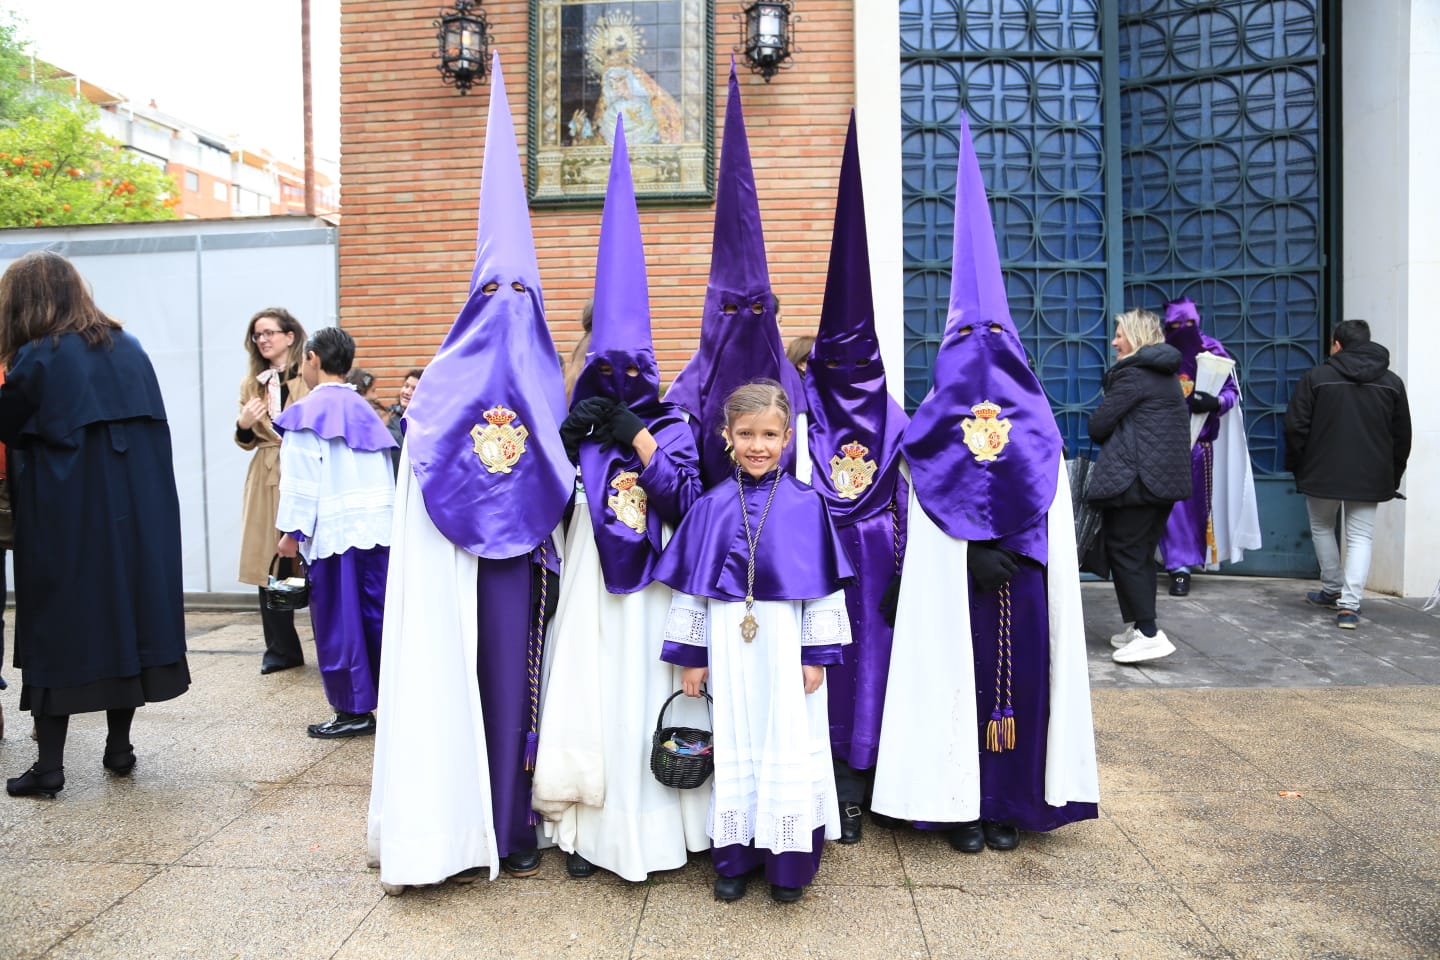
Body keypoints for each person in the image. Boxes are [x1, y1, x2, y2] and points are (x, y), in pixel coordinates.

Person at [368, 52, 572, 891]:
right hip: (457, 563)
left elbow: (564, 460)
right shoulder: (440, 388)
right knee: (457, 689)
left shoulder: (550, 376)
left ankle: (513, 824)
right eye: (496, 290)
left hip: (524, 563)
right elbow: (425, 461)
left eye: (524, 292)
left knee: (517, 690)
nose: (511, 306)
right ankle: (455, 824)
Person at [871, 110, 1097, 854]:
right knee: (952, 693)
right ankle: (956, 805)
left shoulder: (1038, 422)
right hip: (953, 590)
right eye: (968, 338)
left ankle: (1009, 805)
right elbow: (917, 515)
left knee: (1022, 693)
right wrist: (961, 556)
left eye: (993, 338)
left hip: (1021, 582)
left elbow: (1053, 512)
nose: (981, 353)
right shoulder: (928, 424)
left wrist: (1018, 554)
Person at [531, 117, 709, 881]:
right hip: (589, 583)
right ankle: (587, 832)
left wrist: (636, 435)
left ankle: (654, 830)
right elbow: (550, 502)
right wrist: (569, 444)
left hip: (650, 590)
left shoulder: (670, 418)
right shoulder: (574, 421)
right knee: (590, 698)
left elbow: (685, 498)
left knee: (639, 697)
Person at [653, 381, 855, 903]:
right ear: (727, 436)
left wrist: (818, 655)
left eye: (768, 434)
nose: (757, 445)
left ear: (787, 437)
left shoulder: (807, 505)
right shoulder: (711, 505)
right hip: (728, 642)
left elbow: (825, 593)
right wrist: (691, 659)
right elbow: (691, 594)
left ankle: (789, 866)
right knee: (737, 739)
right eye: (746, 434)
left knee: (786, 740)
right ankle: (736, 857)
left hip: (787, 645)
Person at [0, 250, 190, 798]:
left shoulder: (40, 356)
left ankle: (49, 767)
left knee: (57, 625)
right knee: (125, 618)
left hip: (67, 521)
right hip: (139, 519)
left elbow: (7, 423)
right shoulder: (128, 346)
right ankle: (119, 748)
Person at [799, 112, 909, 846]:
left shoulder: (899, 423)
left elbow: (920, 496)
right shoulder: (793, 417)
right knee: (819, 676)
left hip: (878, 572)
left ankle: (865, 781)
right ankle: (817, 781)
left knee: (871, 674)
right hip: (812, 569)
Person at [665, 63, 806, 488]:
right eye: (727, 309)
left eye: (757, 308)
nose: (744, 318)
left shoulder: (806, 399)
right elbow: (675, 487)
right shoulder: (683, 400)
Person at [274, 327, 396, 739]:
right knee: (376, 619)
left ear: (312, 359)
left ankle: (352, 710)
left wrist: (291, 533)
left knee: (339, 625)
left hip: (334, 534)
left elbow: (301, 481)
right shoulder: (367, 413)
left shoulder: (306, 414)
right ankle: (392, 701)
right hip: (379, 531)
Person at [1284, 319, 1411, 629]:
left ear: (1337, 345)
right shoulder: (1391, 382)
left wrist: (1298, 464)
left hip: (1321, 469)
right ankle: (1349, 607)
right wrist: (1393, 474)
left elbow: (1295, 426)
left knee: (1322, 526)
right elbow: (1402, 436)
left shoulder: (1317, 377)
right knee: (1361, 537)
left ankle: (1331, 588)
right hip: (1372, 473)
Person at [1088, 307, 1193, 663]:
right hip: (1161, 481)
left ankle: (1149, 633)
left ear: (1136, 337)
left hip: (1136, 479)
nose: (1115, 341)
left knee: (1126, 551)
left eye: (1120, 334)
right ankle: (1138, 627)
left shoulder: (1132, 376)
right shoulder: (1164, 375)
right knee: (1140, 554)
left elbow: (1098, 426)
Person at [1155, 297, 1261, 596]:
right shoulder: (1159, 351)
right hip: (1162, 440)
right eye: (1176, 325)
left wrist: (1216, 402)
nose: (1183, 330)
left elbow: (1230, 391)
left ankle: (1188, 562)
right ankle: (1177, 565)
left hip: (1199, 443)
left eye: (1188, 324)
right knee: (1170, 506)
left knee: (1192, 505)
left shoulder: (1212, 350)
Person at [235, 306, 311, 675]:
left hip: (302, 469)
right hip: (266, 473)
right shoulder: (252, 383)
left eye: (269, 333)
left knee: (310, 554)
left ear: (289, 336)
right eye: (257, 335)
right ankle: (280, 650)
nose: (263, 340)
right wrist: (244, 424)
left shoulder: (307, 376)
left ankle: (332, 644)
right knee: (268, 560)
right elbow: (247, 440)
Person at [384, 367, 423, 450]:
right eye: (406, 386)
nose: (407, 392)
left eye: (414, 389)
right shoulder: (387, 415)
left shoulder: (426, 423)